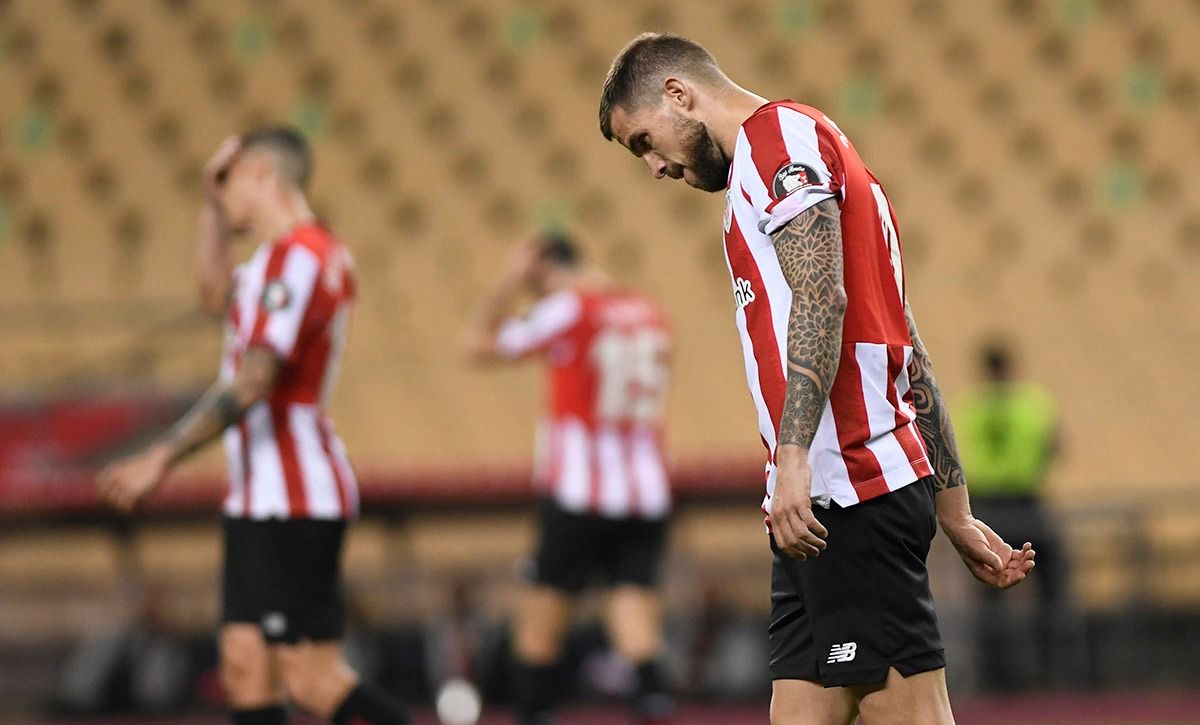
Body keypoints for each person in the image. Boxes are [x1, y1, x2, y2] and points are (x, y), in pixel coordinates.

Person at [597, 34, 1037, 725]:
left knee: (912, 713)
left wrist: (796, 457)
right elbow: (906, 348)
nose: (654, 165)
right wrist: (953, 510)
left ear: (680, 95)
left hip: (850, 490)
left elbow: (821, 294)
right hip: (812, 507)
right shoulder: (796, 158)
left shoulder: (777, 141)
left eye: (645, 141)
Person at [96, 128, 410, 725]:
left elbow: (253, 381)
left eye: (232, 179)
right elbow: (214, 293)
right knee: (245, 670)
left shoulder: (304, 255)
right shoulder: (275, 258)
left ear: (263, 172)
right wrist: (212, 205)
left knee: (312, 684)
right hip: (258, 495)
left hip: (293, 495)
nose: (226, 194)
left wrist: (156, 457)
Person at [464, 232, 674, 725]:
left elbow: (476, 345)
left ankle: (534, 713)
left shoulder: (568, 308)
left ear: (543, 267)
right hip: (645, 489)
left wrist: (506, 283)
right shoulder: (648, 311)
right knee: (633, 610)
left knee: (539, 625)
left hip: (580, 490)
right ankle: (653, 705)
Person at [955, 342, 1070, 690]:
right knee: (1052, 588)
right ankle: (1055, 672)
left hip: (986, 506)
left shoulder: (969, 408)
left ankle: (998, 679)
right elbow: (1055, 447)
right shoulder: (1033, 403)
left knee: (990, 593)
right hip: (1027, 501)